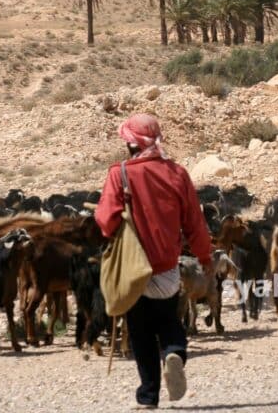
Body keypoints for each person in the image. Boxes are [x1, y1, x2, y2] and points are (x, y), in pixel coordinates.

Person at [95, 114, 212, 409]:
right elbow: (194, 223)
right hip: (167, 269)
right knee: (169, 321)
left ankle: (148, 397)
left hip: (132, 269)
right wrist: (204, 256)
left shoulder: (119, 174)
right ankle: (174, 353)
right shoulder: (177, 173)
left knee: (140, 331)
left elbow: (106, 223)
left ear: (131, 144)